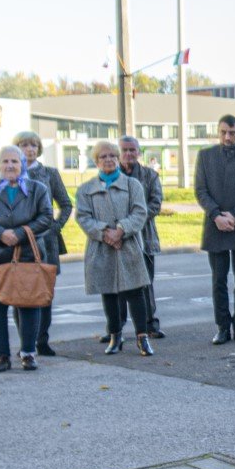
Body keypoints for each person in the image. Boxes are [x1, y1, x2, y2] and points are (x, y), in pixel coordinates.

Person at [0, 145, 55, 372]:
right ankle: (2, 356)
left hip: (26, 255)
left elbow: (46, 217)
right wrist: (0, 234)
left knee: (28, 305)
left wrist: (19, 233)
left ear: (22, 165)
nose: (9, 166)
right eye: (5, 162)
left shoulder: (38, 189)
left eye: (14, 162)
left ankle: (28, 352)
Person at [75, 140, 155, 356]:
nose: (108, 160)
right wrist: (105, 233)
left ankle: (142, 337)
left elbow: (140, 212)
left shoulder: (132, 185)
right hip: (102, 248)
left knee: (136, 291)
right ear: (96, 161)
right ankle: (115, 336)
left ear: (118, 158)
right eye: (103, 157)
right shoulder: (86, 189)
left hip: (128, 245)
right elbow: (83, 217)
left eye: (112, 155)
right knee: (109, 293)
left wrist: (121, 230)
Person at [194, 114, 235, 344]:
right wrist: (216, 215)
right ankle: (222, 326)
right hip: (215, 227)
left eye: (232, 132)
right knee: (218, 280)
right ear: (218, 132)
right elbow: (201, 190)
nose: (227, 137)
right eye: (223, 132)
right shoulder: (205, 156)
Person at [12, 131, 70, 356]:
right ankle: (25, 343)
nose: (30, 149)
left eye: (34, 145)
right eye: (24, 145)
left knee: (44, 293)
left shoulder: (49, 173)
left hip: (46, 243)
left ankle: (42, 340)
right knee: (20, 294)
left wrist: (55, 227)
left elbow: (65, 204)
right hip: (19, 243)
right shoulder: (12, 172)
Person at [117, 136, 165, 340]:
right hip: (116, 239)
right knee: (116, 286)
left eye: (132, 150)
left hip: (144, 238)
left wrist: (131, 222)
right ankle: (115, 328)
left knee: (145, 284)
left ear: (138, 152)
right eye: (124, 150)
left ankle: (149, 324)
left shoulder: (149, 176)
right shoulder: (109, 175)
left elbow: (155, 204)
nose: (128, 154)